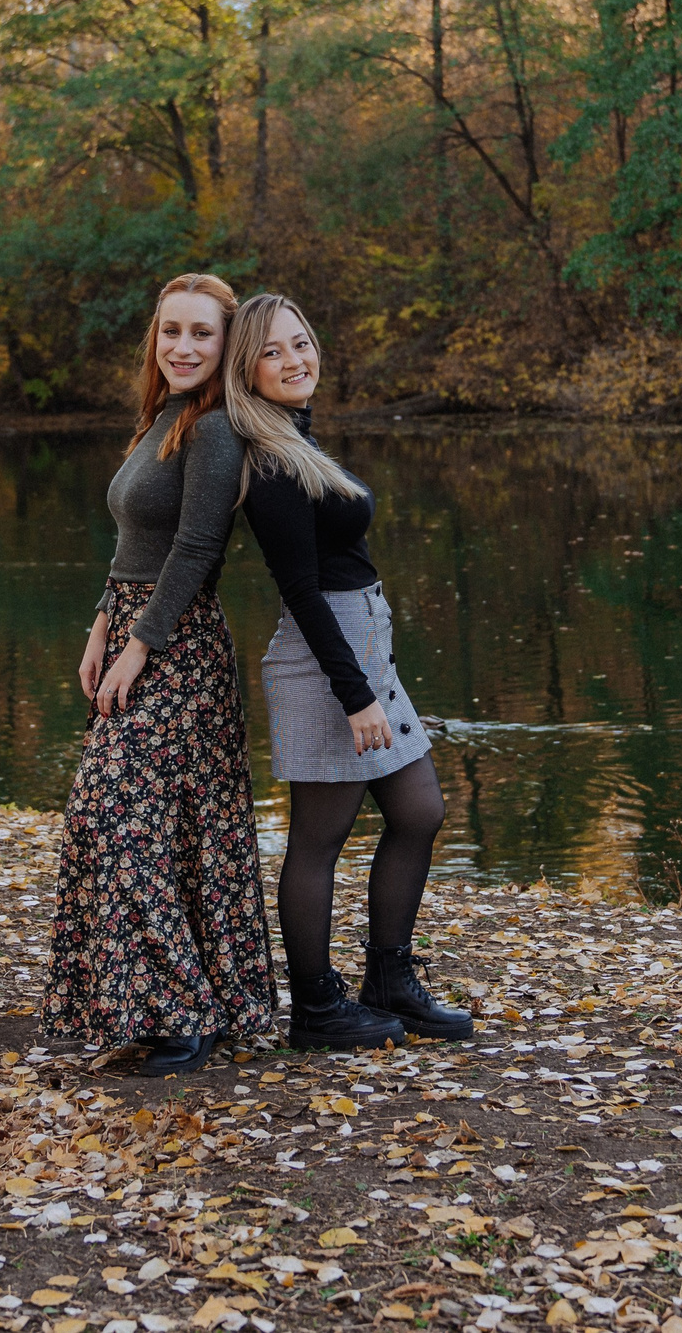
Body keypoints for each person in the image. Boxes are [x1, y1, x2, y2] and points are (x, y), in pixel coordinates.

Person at [225, 292, 472, 1050]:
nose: (295, 360)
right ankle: (316, 1009)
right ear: (248, 369)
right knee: (317, 841)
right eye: (273, 352)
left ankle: (389, 979)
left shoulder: (297, 438)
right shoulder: (268, 461)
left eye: (301, 343)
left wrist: (368, 677)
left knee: (419, 811)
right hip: (324, 661)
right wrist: (356, 695)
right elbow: (300, 592)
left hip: (363, 646)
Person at [41, 272, 273, 1077]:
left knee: (125, 819)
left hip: (180, 647)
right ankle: (162, 1001)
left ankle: (186, 1014)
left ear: (226, 344)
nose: (182, 347)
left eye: (201, 334)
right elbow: (133, 544)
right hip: (138, 628)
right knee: (131, 823)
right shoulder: (165, 418)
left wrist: (140, 644)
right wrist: (100, 626)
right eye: (170, 331)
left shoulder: (214, 429)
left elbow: (197, 550)